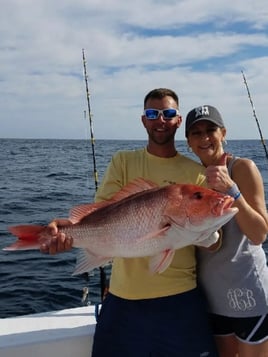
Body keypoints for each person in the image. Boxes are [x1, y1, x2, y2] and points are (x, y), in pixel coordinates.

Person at [43, 89, 219, 356]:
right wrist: (65, 228)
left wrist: (210, 236)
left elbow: (212, 243)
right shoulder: (123, 161)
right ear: (143, 120)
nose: (160, 120)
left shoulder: (195, 173)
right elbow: (99, 213)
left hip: (181, 299)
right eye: (152, 113)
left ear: (178, 120)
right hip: (124, 298)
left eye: (168, 114)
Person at [185, 104, 268, 357]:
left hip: (249, 295)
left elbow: (259, 234)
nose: (204, 138)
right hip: (210, 298)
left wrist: (232, 190)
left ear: (223, 132)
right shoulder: (190, 179)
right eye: (196, 133)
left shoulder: (242, 167)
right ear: (188, 141)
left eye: (211, 129)